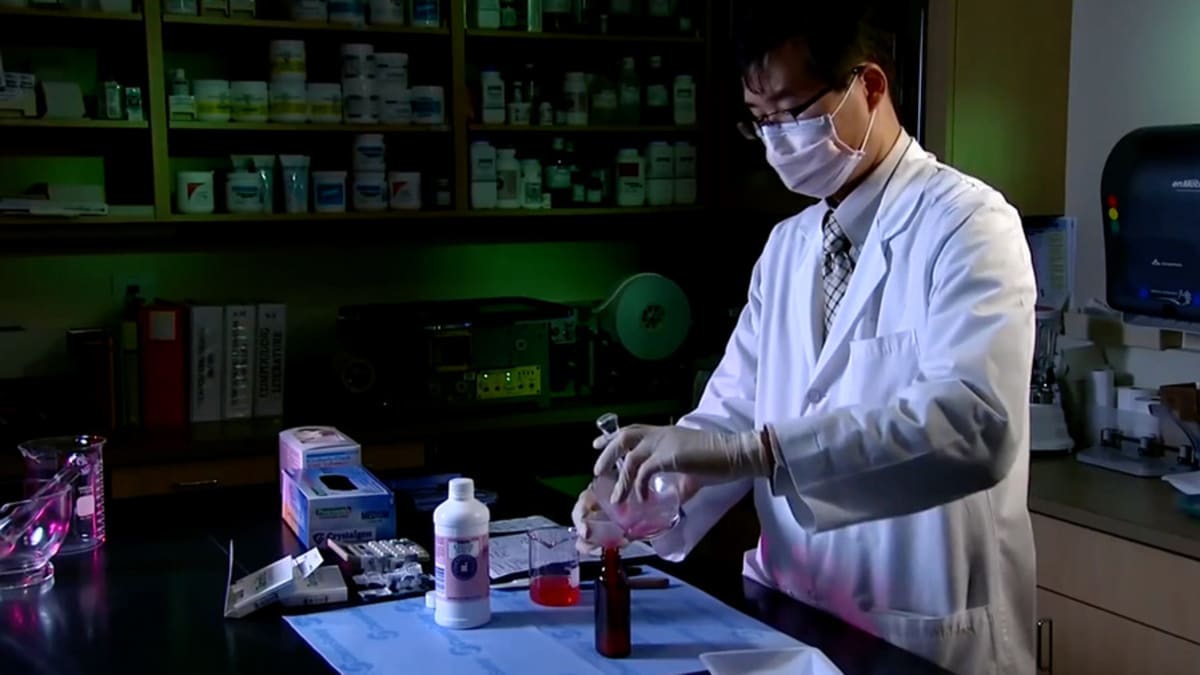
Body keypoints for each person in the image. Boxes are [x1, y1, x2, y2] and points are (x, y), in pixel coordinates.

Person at [572, 2, 1038, 673]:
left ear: (868, 87)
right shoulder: (787, 248)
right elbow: (729, 417)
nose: (779, 140)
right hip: (789, 613)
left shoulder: (968, 226)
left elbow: (975, 425)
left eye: (793, 111)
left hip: (919, 633)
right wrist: (644, 495)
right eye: (761, 120)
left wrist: (760, 451)